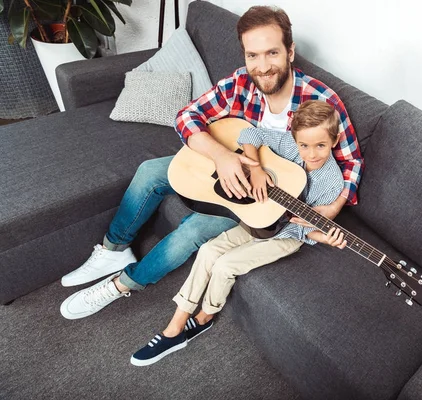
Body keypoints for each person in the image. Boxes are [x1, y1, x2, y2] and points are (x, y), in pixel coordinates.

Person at [59, 5, 363, 320]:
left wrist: (333, 207)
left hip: (266, 202)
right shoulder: (241, 82)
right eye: (252, 55)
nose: (262, 66)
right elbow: (187, 116)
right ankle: (113, 250)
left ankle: (122, 284)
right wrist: (223, 156)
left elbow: (351, 160)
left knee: (192, 231)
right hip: (232, 166)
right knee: (149, 171)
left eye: (272, 53)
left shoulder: (322, 101)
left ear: (290, 52)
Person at [131, 101, 348, 366]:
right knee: (209, 250)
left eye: (321, 146)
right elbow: (248, 135)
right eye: (304, 145)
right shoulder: (290, 144)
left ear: (335, 140)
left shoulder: (333, 182)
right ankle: (174, 328)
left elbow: (305, 226)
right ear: (295, 138)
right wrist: (256, 169)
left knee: (224, 265)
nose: (311, 153)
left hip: (289, 235)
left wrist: (323, 236)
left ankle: (203, 319)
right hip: (256, 219)